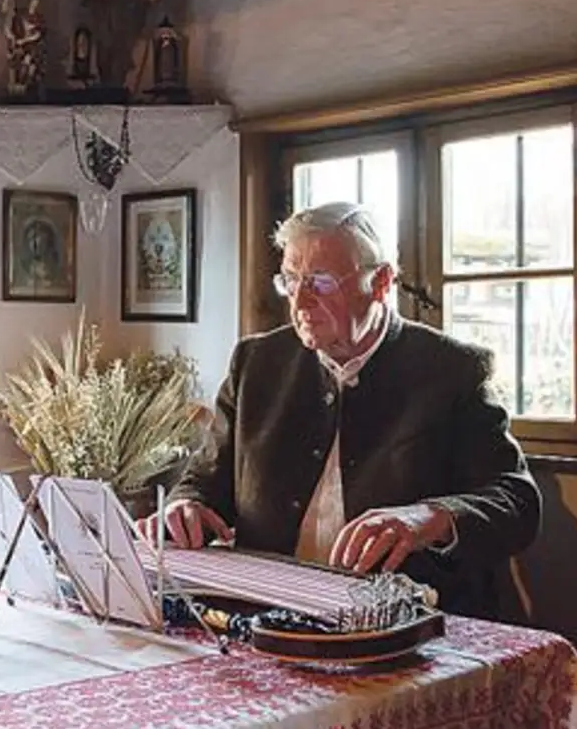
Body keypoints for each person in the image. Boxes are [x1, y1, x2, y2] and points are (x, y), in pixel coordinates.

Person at [137, 201, 542, 622]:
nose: (302, 301)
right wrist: (185, 506)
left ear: (381, 282)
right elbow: (204, 482)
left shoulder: (451, 371)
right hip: (266, 617)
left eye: (322, 282)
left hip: (404, 622)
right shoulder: (257, 363)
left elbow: (516, 501)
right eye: (291, 281)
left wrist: (428, 519)